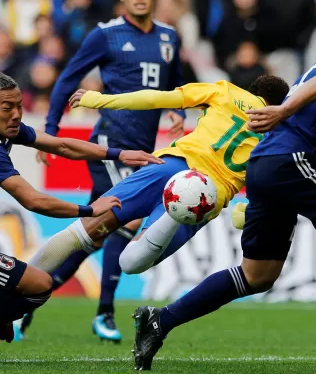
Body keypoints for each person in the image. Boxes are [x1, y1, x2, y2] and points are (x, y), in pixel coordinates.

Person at [130, 0, 316, 371]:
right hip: (291, 160)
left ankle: (160, 321)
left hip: (266, 163)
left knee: (258, 275)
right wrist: (283, 110)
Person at [0, 71, 160, 355]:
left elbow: (60, 145)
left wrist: (117, 154)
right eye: (8, 107)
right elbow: (33, 201)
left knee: (5, 292)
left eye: (20, 105)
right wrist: (90, 209)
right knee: (39, 286)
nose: (16, 114)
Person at [27, 74, 289, 300]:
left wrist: (101, 100)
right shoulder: (279, 133)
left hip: (169, 166)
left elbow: (155, 99)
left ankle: (17, 284)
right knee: (130, 263)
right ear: (279, 106)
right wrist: (247, 213)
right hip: (205, 196)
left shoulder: (226, 91)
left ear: (252, 90)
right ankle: (174, 214)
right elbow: (271, 188)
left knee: (81, 231)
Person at [25, 0, 185, 342]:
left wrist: (180, 109)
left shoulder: (169, 37)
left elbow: (177, 84)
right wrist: (51, 130)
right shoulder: (106, 34)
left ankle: (27, 299)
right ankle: (105, 314)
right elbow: (68, 78)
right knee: (122, 220)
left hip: (141, 151)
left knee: (92, 235)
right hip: (109, 146)